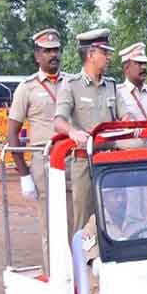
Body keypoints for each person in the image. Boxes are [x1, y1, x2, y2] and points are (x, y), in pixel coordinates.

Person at [7, 28, 69, 273]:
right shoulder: (27, 88)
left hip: (74, 161)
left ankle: (78, 279)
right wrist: (24, 175)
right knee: (52, 227)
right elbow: (13, 133)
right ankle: (55, 277)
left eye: (56, 50)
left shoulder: (71, 83)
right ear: (37, 56)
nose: (53, 55)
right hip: (44, 166)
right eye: (47, 51)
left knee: (78, 226)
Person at [54, 28, 128, 232]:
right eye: (105, 52)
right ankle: (84, 263)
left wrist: (126, 126)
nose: (109, 57)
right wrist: (72, 132)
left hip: (110, 161)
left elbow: (126, 117)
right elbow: (58, 120)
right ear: (91, 54)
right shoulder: (71, 85)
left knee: (116, 220)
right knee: (84, 222)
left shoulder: (112, 86)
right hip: (83, 162)